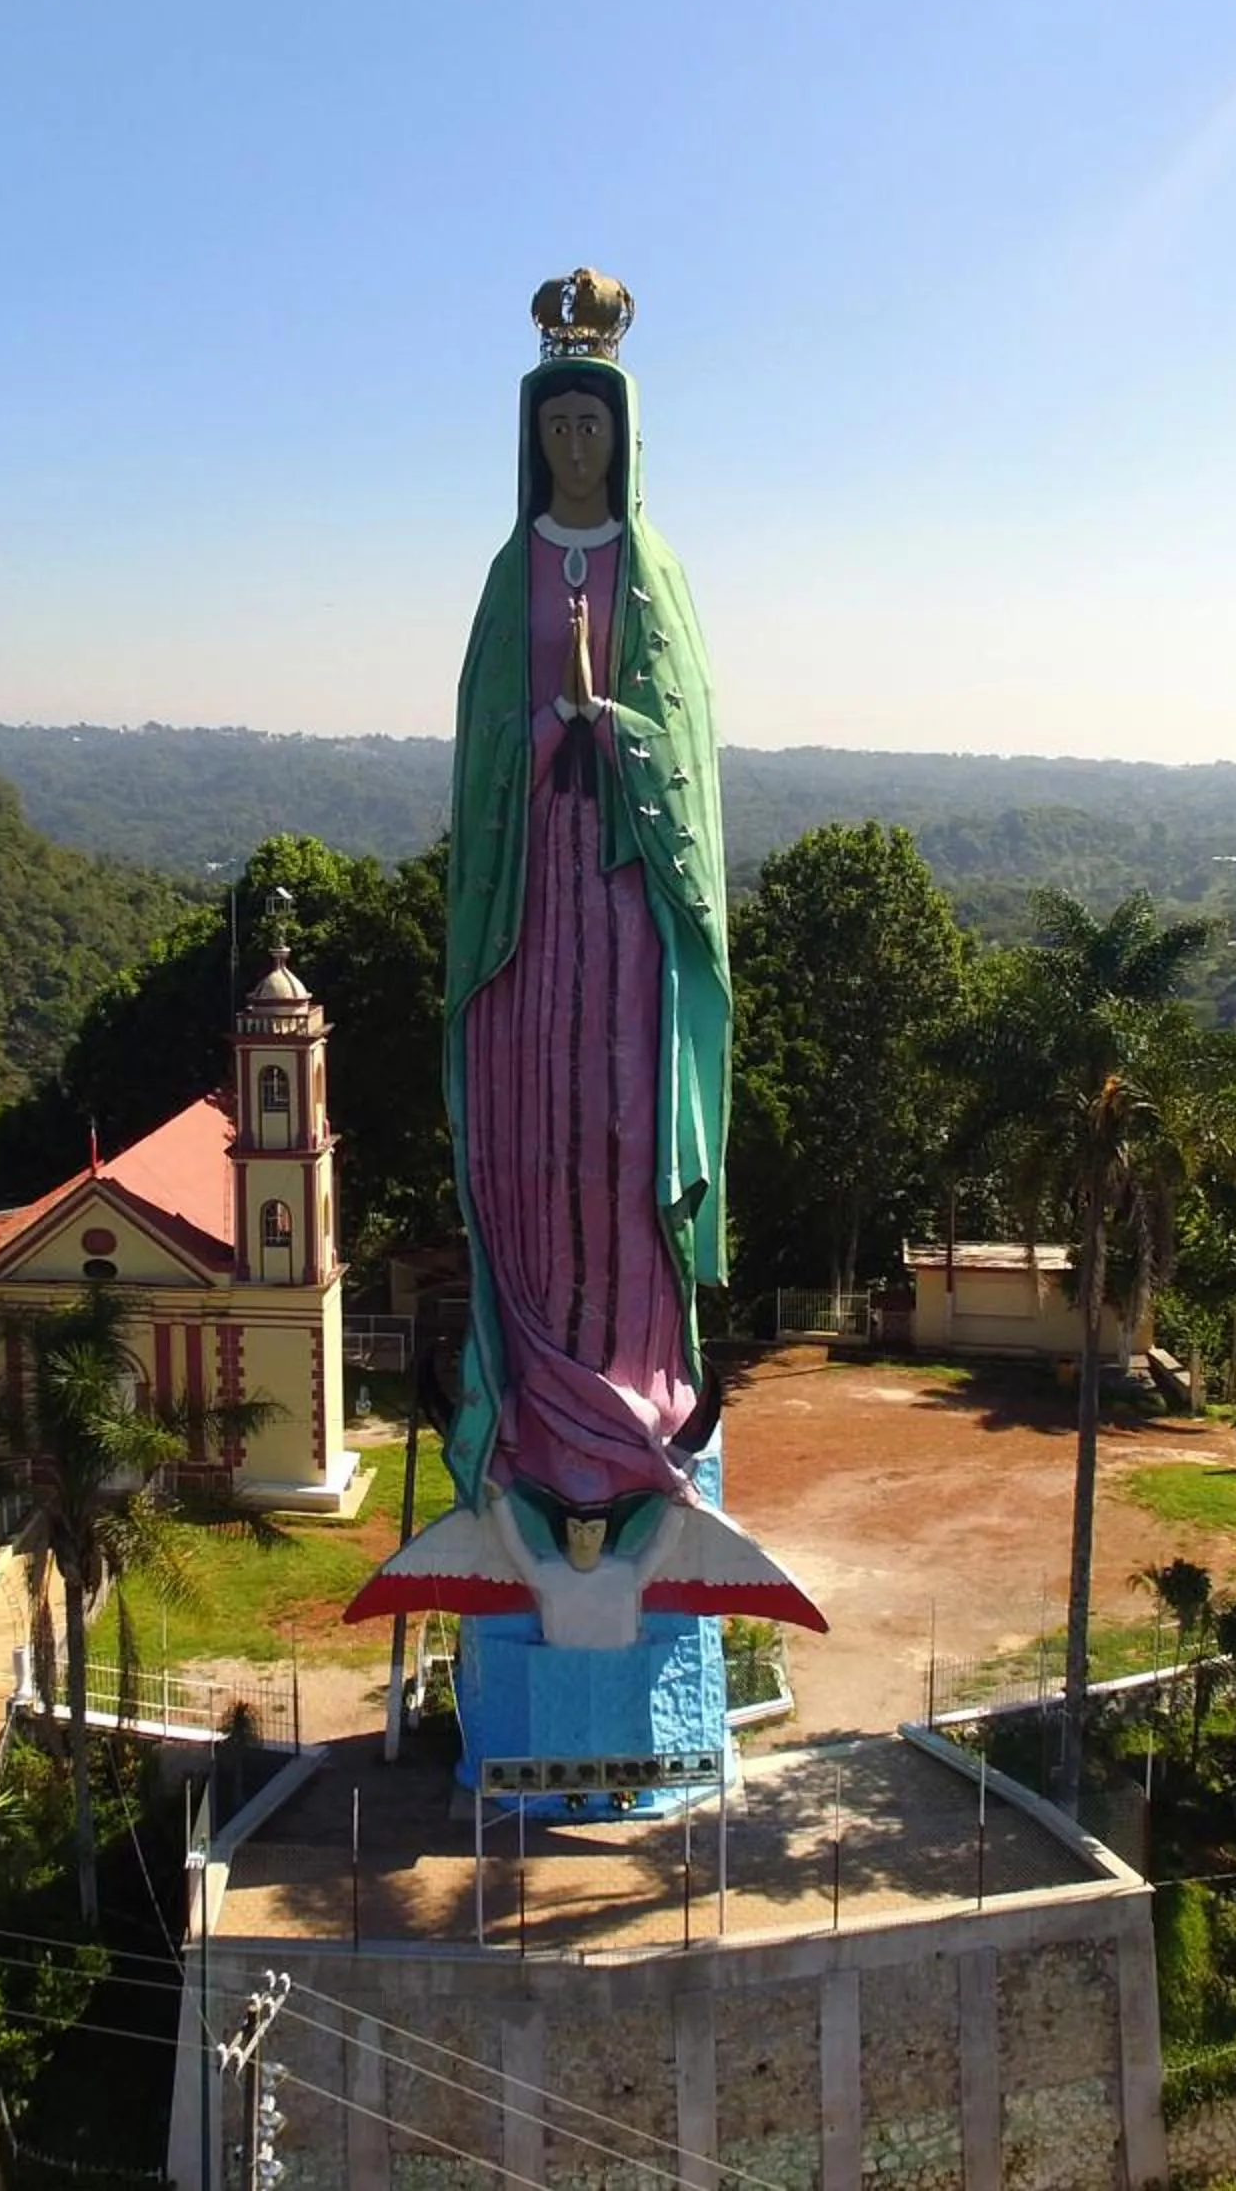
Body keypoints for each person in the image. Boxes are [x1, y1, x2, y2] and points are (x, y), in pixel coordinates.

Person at [350, 271, 816, 1638]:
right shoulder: (512, 579)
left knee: (619, 1143)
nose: (573, 447)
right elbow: (482, 751)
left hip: (619, 907)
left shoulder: (652, 575)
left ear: (622, 433)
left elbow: (689, 758)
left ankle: (633, 1378)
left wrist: (614, 731)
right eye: (553, 425)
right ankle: (536, 1379)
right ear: (532, 437)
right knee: (527, 1139)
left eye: (590, 425)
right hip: (527, 917)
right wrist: (542, 733)